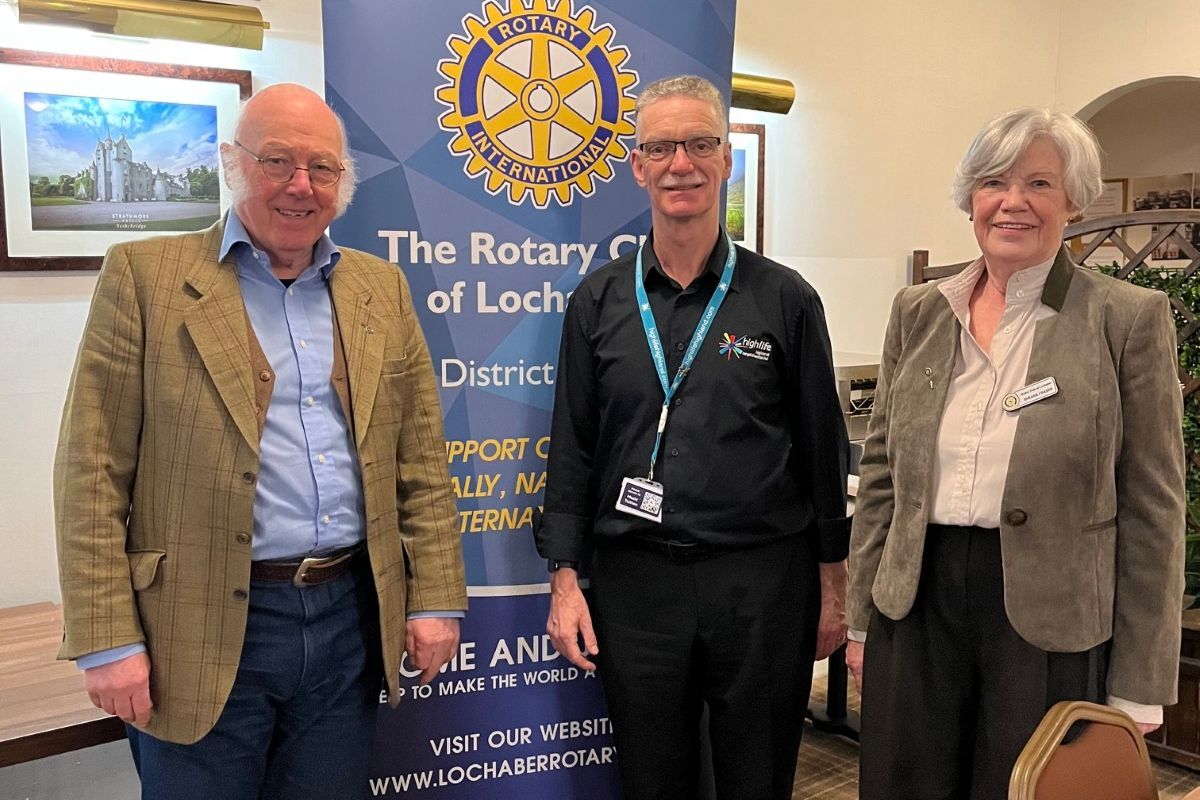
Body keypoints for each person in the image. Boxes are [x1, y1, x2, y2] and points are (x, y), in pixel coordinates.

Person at [54, 83, 467, 800]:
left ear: (343, 183)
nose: (300, 186)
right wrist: (108, 641)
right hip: (195, 626)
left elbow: (421, 462)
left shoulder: (381, 287)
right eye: (278, 161)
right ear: (235, 164)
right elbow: (91, 471)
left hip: (348, 619)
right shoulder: (145, 279)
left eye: (322, 168)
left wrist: (435, 600)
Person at [845, 108, 1185, 800]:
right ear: (972, 197)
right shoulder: (919, 310)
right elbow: (882, 474)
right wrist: (860, 618)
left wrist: (1142, 683)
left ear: (1074, 200)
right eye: (994, 181)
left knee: (1025, 790)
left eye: (1039, 183)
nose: (1014, 202)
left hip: (1050, 619)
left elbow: (1154, 508)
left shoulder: (1126, 317)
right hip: (917, 602)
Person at [534, 74, 850, 800]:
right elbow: (573, 449)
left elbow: (823, 455)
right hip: (636, 584)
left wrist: (834, 592)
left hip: (762, 582)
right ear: (638, 164)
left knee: (757, 776)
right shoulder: (598, 302)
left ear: (726, 159)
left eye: (702, 144)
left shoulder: (785, 299)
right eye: (663, 147)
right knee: (652, 780)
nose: (683, 163)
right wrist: (564, 584)